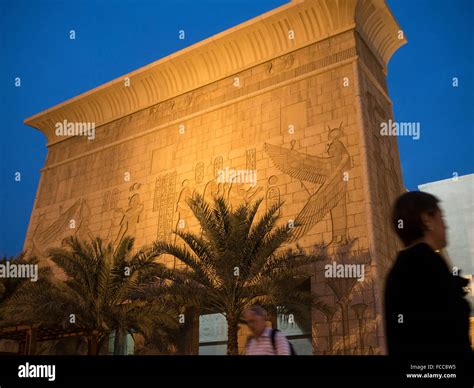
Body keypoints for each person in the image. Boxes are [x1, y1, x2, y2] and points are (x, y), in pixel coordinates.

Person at [385, 191, 471, 355]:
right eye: (442, 217)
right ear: (427, 219)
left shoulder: (400, 268)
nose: (446, 225)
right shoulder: (427, 265)